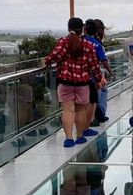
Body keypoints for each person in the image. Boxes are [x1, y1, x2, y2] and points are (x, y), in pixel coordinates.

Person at [44, 17, 104, 148]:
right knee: (81, 110)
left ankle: (69, 138)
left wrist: (46, 62)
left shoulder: (63, 42)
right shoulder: (88, 45)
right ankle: (80, 137)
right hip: (83, 83)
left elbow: (53, 56)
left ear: (68, 28)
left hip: (65, 81)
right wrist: (99, 79)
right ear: (82, 29)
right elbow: (94, 65)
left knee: (67, 110)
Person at [83, 19, 110, 128]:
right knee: (98, 94)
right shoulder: (97, 44)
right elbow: (102, 60)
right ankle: (97, 115)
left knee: (88, 97)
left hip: (82, 74)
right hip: (95, 73)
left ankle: (91, 117)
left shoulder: (82, 41)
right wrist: (109, 72)